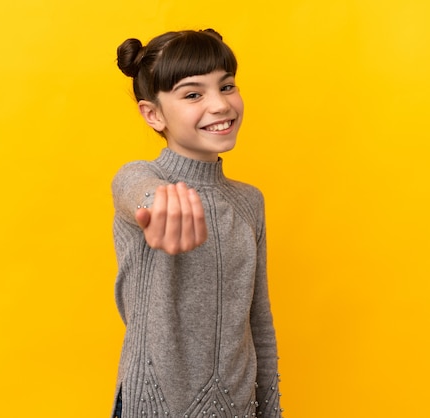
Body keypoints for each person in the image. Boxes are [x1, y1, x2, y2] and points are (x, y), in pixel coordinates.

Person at [111, 28, 282, 418]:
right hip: (153, 408)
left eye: (227, 86)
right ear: (152, 114)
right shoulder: (140, 177)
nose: (220, 105)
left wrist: (269, 410)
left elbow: (259, 324)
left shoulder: (249, 201)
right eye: (193, 94)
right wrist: (159, 203)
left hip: (238, 409)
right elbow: (135, 189)